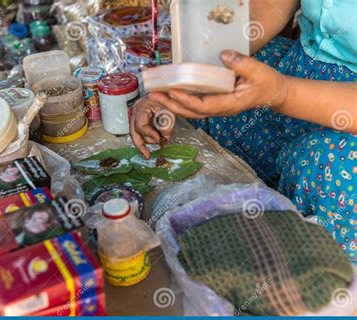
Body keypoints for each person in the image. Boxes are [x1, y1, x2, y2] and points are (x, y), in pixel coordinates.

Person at [130, 0, 356, 263]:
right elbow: (273, 6)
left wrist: (281, 93)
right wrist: (189, 80)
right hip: (301, 72)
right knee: (224, 85)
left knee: (329, 167)